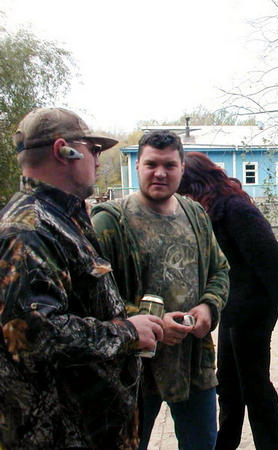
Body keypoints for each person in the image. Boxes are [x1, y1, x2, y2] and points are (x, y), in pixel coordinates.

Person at [0, 108, 164, 449]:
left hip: (94, 428)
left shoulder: (60, 219)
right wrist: (128, 332)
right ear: (64, 150)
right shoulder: (27, 230)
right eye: (94, 149)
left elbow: (73, 309)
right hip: (62, 435)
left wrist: (129, 321)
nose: (99, 161)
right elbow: (34, 335)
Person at [91, 131, 229, 450]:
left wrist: (209, 306)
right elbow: (93, 299)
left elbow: (220, 271)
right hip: (133, 371)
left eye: (170, 165)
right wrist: (150, 324)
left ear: (182, 168)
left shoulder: (195, 214)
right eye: (151, 164)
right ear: (138, 165)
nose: (160, 173)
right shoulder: (110, 222)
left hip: (193, 365)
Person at [177, 152, 278, 450]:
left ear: (195, 183)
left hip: (254, 309)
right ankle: (226, 443)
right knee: (228, 383)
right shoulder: (212, 209)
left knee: (255, 385)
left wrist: (270, 303)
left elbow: (272, 262)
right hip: (233, 309)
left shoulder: (234, 208)